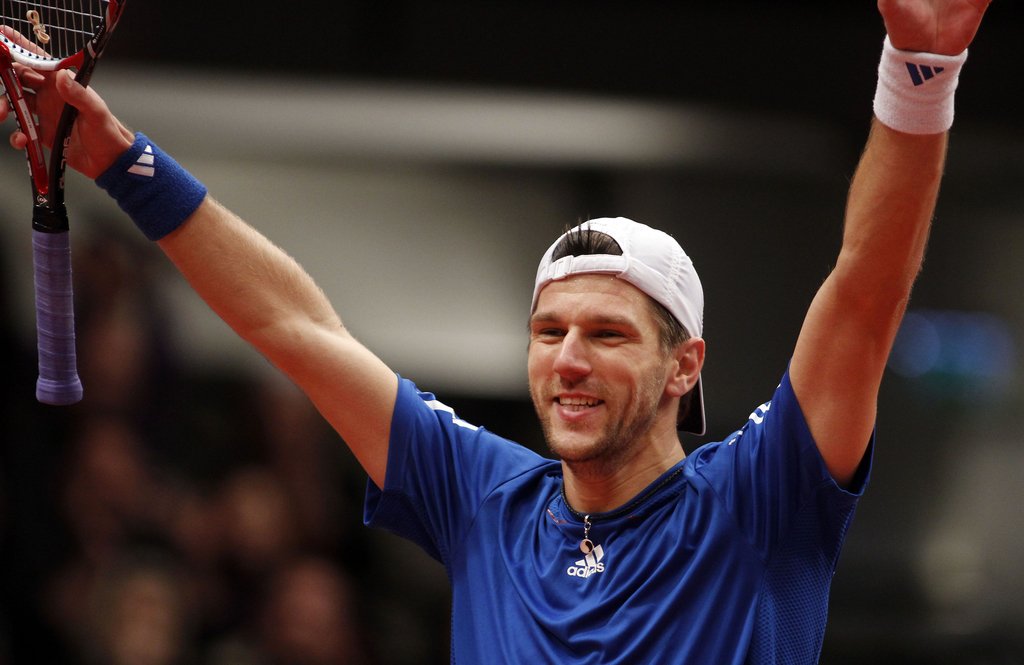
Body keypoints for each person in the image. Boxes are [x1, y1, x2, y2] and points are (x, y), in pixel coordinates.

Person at [1, 1, 993, 662]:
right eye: (548, 330)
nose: (568, 358)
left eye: (607, 334)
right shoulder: (485, 496)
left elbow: (865, 291)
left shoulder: (761, 498)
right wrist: (118, 158)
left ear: (683, 365)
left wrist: (921, 70)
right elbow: (294, 324)